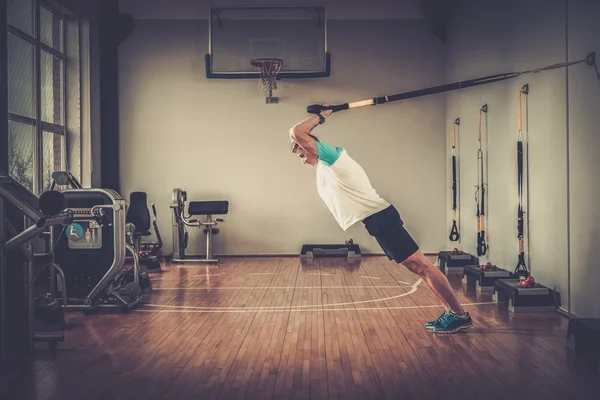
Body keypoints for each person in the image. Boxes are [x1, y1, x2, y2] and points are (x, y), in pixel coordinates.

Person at [289, 108, 473, 334]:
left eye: (302, 155)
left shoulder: (334, 158)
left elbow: (297, 132)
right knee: (418, 269)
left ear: (312, 147)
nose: (302, 161)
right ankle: (450, 312)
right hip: (377, 222)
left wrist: (321, 117)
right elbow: (296, 136)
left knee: (423, 266)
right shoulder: (325, 168)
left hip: (382, 218)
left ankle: (460, 315)